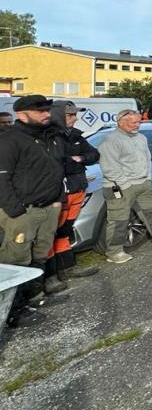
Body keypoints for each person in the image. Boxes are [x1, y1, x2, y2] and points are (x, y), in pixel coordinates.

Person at [0, 95, 65, 328]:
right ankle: (11, 312)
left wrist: (59, 199)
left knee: (40, 254)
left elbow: (57, 169)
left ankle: (32, 297)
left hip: (49, 208)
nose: (47, 114)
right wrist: (17, 212)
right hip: (22, 212)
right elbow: (2, 179)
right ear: (21, 114)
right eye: (40, 111)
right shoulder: (9, 139)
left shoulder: (48, 136)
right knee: (16, 260)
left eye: (47, 110)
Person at [99, 108, 152, 263]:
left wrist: (147, 178)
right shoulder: (111, 140)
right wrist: (125, 184)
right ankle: (114, 252)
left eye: (139, 122)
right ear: (120, 122)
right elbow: (110, 167)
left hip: (143, 183)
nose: (137, 125)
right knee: (119, 220)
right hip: (121, 187)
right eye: (134, 122)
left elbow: (146, 159)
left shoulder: (141, 138)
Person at [47, 101, 101, 288]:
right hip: (59, 191)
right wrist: (76, 161)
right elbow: (57, 164)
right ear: (57, 116)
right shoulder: (50, 137)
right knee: (50, 232)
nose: (75, 118)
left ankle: (67, 267)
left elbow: (95, 155)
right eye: (70, 115)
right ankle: (50, 276)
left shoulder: (76, 135)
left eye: (74, 114)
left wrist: (80, 159)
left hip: (77, 188)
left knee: (65, 231)